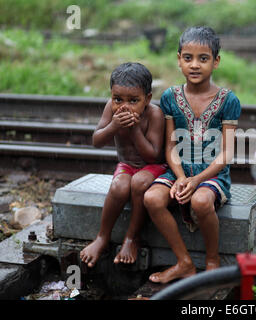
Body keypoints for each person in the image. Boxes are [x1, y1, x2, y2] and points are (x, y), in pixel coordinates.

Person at [143, 26, 241, 283]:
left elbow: (227, 153)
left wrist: (196, 181)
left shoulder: (227, 100)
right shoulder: (170, 97)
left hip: (212, 175)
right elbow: (170, 147)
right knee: (152, 198)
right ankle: (184, 262)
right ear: (179, 60)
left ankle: (212, 261)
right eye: (188, 58)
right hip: (178, 170)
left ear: (216, 62)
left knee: (199, 201)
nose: (195, 65)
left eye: (203, 58)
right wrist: (180, 177)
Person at [80, 62, 166, 268]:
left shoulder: (154, 114)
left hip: (152, 167)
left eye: (133, 100)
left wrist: (135, 130)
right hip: (127, 164)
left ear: (147, 99)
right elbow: (97, 141)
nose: (124, 106)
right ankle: (102, 237)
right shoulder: (111, 109)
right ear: (111, 96)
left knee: (138, 183)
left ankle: (131, 239)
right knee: (119, 186)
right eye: (118, 99)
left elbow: (154, 155)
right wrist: (114, 126)